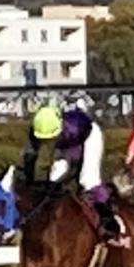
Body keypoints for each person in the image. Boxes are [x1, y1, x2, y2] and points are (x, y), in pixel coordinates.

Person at [20, 101, 123, 241]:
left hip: (89, 136)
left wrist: (70, 173)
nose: (47, 142)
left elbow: (74, 157)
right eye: (44, 139)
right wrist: (29, 182)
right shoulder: (37, 130)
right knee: (54, 177)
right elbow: (29, 157)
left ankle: (109, 220)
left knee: (88, 180)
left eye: (50, 138)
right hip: (67, 143)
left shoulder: (71, 129)